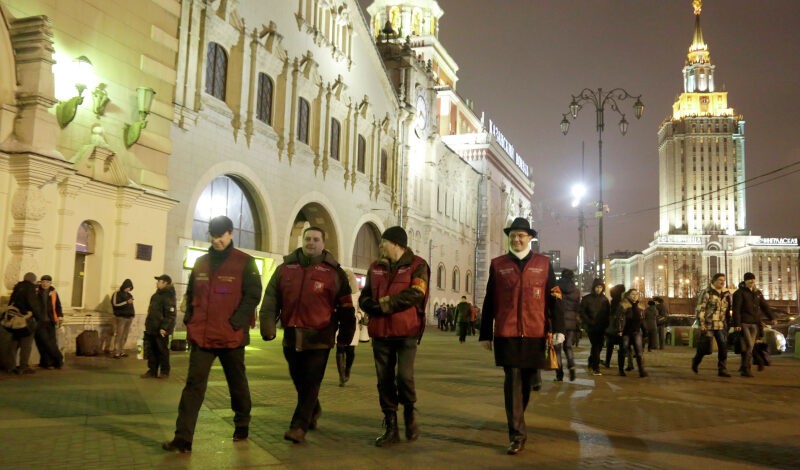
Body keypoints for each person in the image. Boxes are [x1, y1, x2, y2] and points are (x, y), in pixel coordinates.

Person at [163, 215, 262, 453]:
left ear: (230, 234)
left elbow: (253, 295)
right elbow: (192, 293)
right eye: (213, 235)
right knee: (193, 387)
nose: (217, 240)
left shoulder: (245, 262)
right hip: (202, 337)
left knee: (237, 384)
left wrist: (236, 322)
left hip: (231, 337)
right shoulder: (201, 263)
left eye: (221, 235)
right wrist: (189, 319)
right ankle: (183, 438)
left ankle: (242, 423)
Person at [259, 226, 356, 444]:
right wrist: (267, 325)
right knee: (299, 379)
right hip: (292, 336)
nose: (311, 242)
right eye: (307, 238)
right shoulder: (285, 268)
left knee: (311, 381)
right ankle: (314, 408)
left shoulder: (334, 273)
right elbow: (271, 297)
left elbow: (346, 308)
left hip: (320, 338)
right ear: (302, 241)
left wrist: (345, 338)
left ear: (323, 243)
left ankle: (299, 426)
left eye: (315, 239)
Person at [478, 217, 564, 455]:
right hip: (507, 333)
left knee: (525, 384)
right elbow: (489, 301)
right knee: (512, 382)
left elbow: (555, 297)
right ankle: (517, 434)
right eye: (513, 236)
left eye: (521, 235)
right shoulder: (498, 264)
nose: (516, 239)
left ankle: (518, 417)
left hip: (536, 333)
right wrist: (486, 333)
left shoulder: (544, 264)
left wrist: (559, 329)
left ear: (530, 238)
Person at [359, 226, 430, 447]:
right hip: (380, 332)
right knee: (384, 380)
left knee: (404, 377)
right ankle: (391, 426)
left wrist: (384, 305)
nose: (380, 246)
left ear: (397, 244)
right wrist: (369, 305)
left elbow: (416, 294)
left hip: (406, 331)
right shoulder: (375, 267)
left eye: (384, 242)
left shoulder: (418, 265)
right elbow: (365, 296)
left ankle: (409, 413)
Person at [732, 272, 774, 377]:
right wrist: (737, 323)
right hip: (744, 323)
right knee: (750, 346)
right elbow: (736, 309)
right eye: (750, 279)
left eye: (753, 280)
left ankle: (744, 366)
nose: (752, 281)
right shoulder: (739, 293)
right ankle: (746, 369)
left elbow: (765, 306)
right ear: (745, 281)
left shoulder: (757, 293)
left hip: (755, 323)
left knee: (747, 346)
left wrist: (772, 317)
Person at [691, 273, 731, 377]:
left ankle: (722, 369)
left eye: (723, 280)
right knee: (705, 349)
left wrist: (728, 322)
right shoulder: (706, 292)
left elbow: (727, 311)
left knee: (723, 347)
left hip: (721, 325)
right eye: (720, 280)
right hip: (708, 325)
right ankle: (696, 361)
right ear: (713, 281)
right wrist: (702, 324)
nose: (722, 282)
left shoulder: (726, 293)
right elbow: (701, 309)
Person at [141, 274, 177, 379]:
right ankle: (152, 370)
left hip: (161, 329)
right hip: (152, 327)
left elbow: (170, 314)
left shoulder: (169, 296)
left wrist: (164, 328)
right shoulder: (156, 295)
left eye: (159, 281)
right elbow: (151, 312)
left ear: (165, 283)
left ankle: (164, 372)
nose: (157, 283)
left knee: (162, 350)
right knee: (151, 350)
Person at [6, 272, 41, 374]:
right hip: (25, 319)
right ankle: (23, 367)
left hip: (14, 319)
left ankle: (11, 366)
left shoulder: (17, 287)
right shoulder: (30, 288)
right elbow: (33, 304)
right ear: (33, 279)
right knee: (26, 344)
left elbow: (11, 303)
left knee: (14, 343)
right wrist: (37, 316)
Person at [579, 278, 609, 376]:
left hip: (601, 326)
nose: (598, 289)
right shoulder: (587, 298)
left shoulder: (605, 299)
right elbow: (582, 312)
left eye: (600, 287)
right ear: (594, 287)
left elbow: (607, 313)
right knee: (596, 345)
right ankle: (596, 368)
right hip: (591, 326)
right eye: (597, 287)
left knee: (599, 346)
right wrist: (588, 322)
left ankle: (591, 359)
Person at [614, 288, 648, 377]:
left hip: (637, 331)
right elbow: (619, 318)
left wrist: (645, 331)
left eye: (636, 294)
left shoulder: (641, 306)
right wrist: (619, 330)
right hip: (625, 331)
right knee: (623, 350)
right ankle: (621, 370)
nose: (635, 296)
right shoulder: (623, 305)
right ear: (628, 295)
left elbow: (643, 320)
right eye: (633, 294)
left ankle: (641, 371)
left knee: (639, 352)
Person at [34, 275, 64, 369]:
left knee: (51, 342)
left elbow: (58, 305)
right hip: (39, 321)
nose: (45, 283)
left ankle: (48, 363)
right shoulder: (36, 292)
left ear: (50, 283)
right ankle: (58, 359)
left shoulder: (54, 293)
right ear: (40, 282)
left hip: (51, 321)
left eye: (47, 282)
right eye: (43, 281)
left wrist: (60, 316)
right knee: (44, 342)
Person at [556, 269, 580, 382]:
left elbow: (553, 305)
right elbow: (577, 307)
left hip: (558, 322)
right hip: (571, 322)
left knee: (557, 349)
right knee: (568, 347)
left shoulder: (556, 288)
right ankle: (571, 366)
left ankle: (559, 374)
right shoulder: (576, 290)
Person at [111, 279, 135, 358]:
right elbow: (115, 304)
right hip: (120, 317)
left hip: (129, 317)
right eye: (128, 287)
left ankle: (121, 351)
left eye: (130, 287)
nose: (129, 289)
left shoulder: (129, 295)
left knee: (125, 335)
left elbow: (131, 306)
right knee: (119, 335)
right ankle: (116, 352)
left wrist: (132, 314)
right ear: (124, 286)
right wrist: (126, 302)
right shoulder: (117, 294)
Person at [604, 284, 625, 369]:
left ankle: (607, 362)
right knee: (621, 348)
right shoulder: (622, 304)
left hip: (610, 328)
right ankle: (621, 367)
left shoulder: (612, 303)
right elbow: (620, 317)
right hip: (618, 328)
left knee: (610, 346)